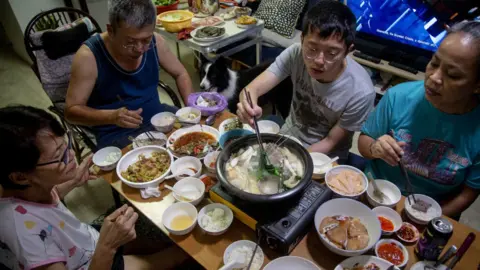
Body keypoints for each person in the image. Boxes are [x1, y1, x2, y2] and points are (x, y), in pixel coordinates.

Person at [0, 106, 188, 270]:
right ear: (20, 176)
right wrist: (107, 248)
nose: (72, 156)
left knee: (147, 241)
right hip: (91, 262)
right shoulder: (24, 236)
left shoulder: (25, 190)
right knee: (176, 256)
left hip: (84, 243)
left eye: (67, 146)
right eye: (60, 156)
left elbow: (42, 204)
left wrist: (73, 182)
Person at [358, 21, 480, 218]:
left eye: (453, 75)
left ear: (477, 85)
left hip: (432, 211)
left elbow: (469, 193)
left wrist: (428, 220)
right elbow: (364, 143)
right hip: (377, 193)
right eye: (434, 63)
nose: (434, 78)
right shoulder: (397, 96)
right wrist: (375, 148)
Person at [236, 0, 375, 162]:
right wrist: (247, 106)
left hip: (325, 158)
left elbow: (331, 141)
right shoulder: (296, 53)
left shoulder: (361, 91)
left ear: (348, 51)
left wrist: (290, 159)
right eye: (312, 48)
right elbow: (251, 89)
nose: (319, 60)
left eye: (332, 53)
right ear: (302, 39)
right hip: (288, 137)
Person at [65, 0, 194, 149]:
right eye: (130, 42)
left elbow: (181, 73)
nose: (139, 48)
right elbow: (71, 111)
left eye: (146, 40)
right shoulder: (89, 57)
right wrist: (111, 117)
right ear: (111, 30)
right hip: (116, 134)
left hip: (159, 120)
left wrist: (191, 110)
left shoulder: (156, 42)